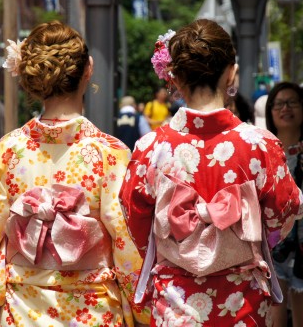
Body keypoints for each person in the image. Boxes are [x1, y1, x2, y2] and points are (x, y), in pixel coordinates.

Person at [0, 21, 149, 326]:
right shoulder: (109, 152)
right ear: (87, 70)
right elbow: (124, 237)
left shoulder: (11, 149)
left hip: (23, 305)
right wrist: (143, 300)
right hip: (92, 308)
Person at [119, 19, 303, 326]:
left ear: (174, 77)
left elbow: (135, 220)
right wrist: (243, 240)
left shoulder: (151, 147)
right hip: (242, 301)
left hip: (174, 299)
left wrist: (182, 250)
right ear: (231, 72)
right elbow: (282, 215)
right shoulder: (259, 144)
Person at [265, 82, 303, 327]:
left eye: (292, 102)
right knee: (274, 314)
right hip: (273, 243)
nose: (285, 108)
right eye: (279, 103)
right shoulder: (264, 151)